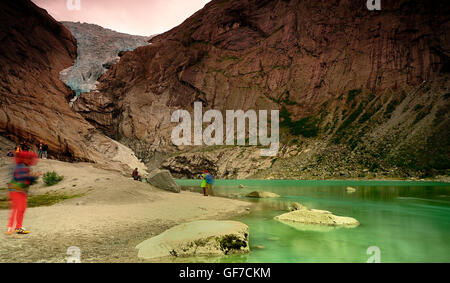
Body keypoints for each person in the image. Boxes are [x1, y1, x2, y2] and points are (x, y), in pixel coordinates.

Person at [6, 150, 40, 235]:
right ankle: (15, 228)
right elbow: (20, 178)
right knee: (20, 209)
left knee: (17, 209)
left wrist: (32, 177)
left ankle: (12, 228)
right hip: (18, 191)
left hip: (17, 190)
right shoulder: (22, 167)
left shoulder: (22, 166)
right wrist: (32, 176)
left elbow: (25, 179)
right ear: (26, 159)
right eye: (30, 159)